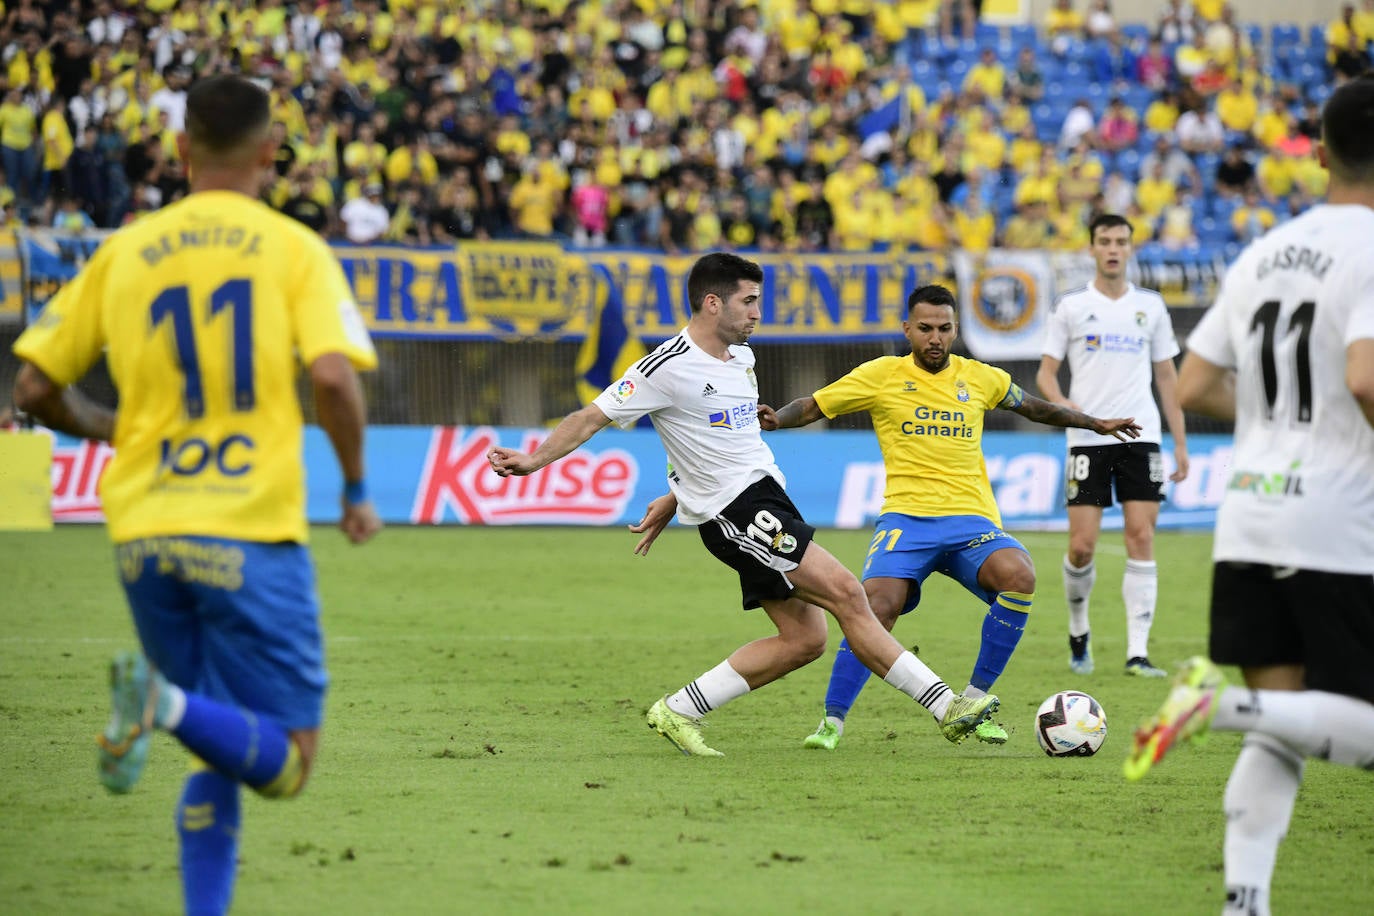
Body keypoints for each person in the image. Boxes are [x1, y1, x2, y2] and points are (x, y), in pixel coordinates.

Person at [9, 74, 381, 915]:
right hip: (247, 529)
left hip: (143, 531)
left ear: (180, 150)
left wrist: (115, 432)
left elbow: (31, 389)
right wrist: (356, 487)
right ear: (268, 153)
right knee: (287, 761)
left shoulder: (126, 249)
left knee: (219, 750)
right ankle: (161, 701)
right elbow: (333, 377)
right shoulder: (294, 250)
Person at [488, 252, 1000, 756]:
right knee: (848, 592)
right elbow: (591, 416)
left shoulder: (742, 358)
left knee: (804, 639)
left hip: (765, 498)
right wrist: (535, 461)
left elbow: (709, 440)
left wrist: (674, 496)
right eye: (749, 301)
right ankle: (947, 706)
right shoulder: (664, 366)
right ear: (713, 303)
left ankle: (679, 709)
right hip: (738, 512)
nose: (758, 313)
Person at [1124, 73, 1374, 916]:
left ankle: (1246, 900)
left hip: (1253, 514)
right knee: (1300, 717)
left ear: (1321, 152)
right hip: (1340, 522)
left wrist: (1275, 422)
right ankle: (1217, 705)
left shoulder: (1268, 249)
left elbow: (1192, 384)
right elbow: (1366, 377)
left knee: (1287, 721)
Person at [762, 285, 1141, 750]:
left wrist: (1093, 422)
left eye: (944, 329)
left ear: (956, 330)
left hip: (972, 520)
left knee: (1019, 575)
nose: (935, 338)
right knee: (874, 606)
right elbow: (815, 405)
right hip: (907, 518)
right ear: (908, 329)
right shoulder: (881, 375)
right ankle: (832, 722)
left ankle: (975, 703)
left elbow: (1035, 407)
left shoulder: (980, 377)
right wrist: (778, 418)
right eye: (925, 329)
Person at [1036, 213, 1190, 678]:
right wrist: (1072, 413)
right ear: (1092, 248)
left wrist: (1179, 442)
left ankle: (1137, 653)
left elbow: (1168, 377)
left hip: (1142, 436)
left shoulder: (1152, 307)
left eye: (1121, 241)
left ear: (1130, 248)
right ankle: (1079, 633)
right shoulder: (1071, 307)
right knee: (1082, 547)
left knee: (1140, 537)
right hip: (1088, 438)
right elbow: (1046, 372)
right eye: (1105, 241)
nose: (1113, 249)